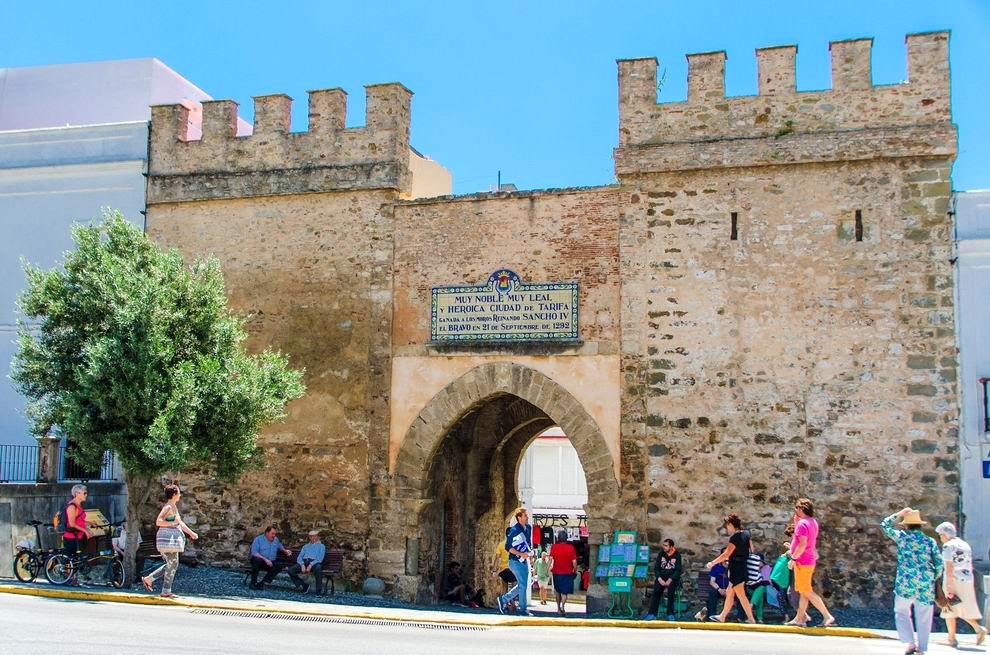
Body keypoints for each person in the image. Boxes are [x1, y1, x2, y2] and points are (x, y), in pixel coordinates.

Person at [881, 507, 942, 655]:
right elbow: (939, 564)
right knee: (924, 616)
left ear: (906, 525)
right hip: (925, 583)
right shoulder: (930, 541)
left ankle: (910, 643)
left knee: (901, 611)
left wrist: (898, 514)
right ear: (920, 525)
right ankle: (921, 648)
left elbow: (884, 525)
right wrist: (932, 577)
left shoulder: (902, 537)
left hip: (905, 581)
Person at [784, 498, 836, 627]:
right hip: (808, 560)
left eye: (796, 508)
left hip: (802, 561)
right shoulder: (812, 522)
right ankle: (799, 618)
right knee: (803, 592)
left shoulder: (802, 524)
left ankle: (827, 616)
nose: (795, 510)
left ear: (801, 509)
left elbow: (802, 544)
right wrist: (796, 523)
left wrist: (793, 559)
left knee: (806, 591)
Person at [934, 522, 985, 647]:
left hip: (954, 580)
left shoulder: (948, 546)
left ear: (945, 535)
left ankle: (957, 636)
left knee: (949, 607)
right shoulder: (965, 544)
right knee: (959, 607)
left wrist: (949, 587)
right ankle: (954, 637)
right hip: (967, 580)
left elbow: (949, 568)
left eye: (941, 535)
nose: (940, 538)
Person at [141, 484, 198, 598]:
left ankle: (152, 581)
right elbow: (158, 521)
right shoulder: (168, 507)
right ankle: (164, 590)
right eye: (178, 493)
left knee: (172, 564)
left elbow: (180, 523)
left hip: (170, 542)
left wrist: (191, 533)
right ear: (174, 494)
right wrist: (172, 523)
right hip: (168, 541)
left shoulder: (173, 507)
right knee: (172, 564)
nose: (180, 495)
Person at [706, 513, 756, 624]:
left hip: (736, 568)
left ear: (730, 524)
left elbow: (726, 554)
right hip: (742, 566)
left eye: (727, 525)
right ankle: (722, 616)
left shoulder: (734, 537)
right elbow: (752, 549)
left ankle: (751, 619)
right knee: (730, 592)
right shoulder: (746, 534)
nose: (726, 528)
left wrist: (713, 563)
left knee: (741, 595)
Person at [497, 507, 533, 616]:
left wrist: (529, 553)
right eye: (525, 515)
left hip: (523, 561)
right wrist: (521, 554)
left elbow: (528, 543)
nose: (527, 517)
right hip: (515, 561)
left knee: (523, 585)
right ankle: (522, 609)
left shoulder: (528, 528)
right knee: (523, 585)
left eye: (527, 515)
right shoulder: (514, 530)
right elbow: (508, 547)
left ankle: (503, 599)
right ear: (519, 518)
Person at [644, 538, 682, 621]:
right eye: (663, 545)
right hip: (661, 577)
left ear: (671, 547)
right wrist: (659, 579)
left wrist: (670, 579)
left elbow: (678, 570)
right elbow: (656, 569)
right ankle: (652, 614)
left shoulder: (677, 555)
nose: (664, 547)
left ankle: (670, 614)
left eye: (666, 545)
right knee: (656, 592)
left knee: (671, 593)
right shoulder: (661, 554)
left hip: (671, 577)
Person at [249, 525, 292, 589]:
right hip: (260, 561)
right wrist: (266, 560)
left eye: (275, 534)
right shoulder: (258, 539)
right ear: (267, 533)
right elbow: (254, 552)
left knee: (279, 566)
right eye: (272, 533)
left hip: (270, 562)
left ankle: (262, 583)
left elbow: (279, 546)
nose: (274, 535)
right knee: (257, 560)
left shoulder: (275, 539)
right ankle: (253, 583)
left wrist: (285, 551)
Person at [549, 530, 578, 616]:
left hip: (556, 572)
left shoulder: (554, 547)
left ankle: (558, 608)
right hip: (568, 573)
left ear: (558, 538)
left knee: (557, 591)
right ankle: (563, 606)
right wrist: (575, 570)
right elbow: (574, 562)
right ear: (566, 538)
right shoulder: (571, 548)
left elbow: (550, 560)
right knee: (565, 592)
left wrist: (547, 569)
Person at [287, 530, 325, 594]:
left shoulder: (321, 546)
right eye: (311, 536)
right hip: (305, 562)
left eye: (315, 536)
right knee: (290, 570)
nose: (313, 538)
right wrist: (302, 565)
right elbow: (299, 557)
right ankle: (304, 585)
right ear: (309, 537)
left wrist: (310, 565)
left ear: (317, 537)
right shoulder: (305, 546)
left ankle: (318, 591)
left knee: (318, 568)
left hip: (315, 563)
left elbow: (320, 558)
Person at [62, 484, 92, 557]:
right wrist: (85, 530)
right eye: (84, 493)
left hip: (79, 537)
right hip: (71, 538)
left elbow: (78, 520)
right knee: (71, 560)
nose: (86, 495)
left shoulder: (78, 505)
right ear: (77, 494)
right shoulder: (72, 506)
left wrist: (88, 523)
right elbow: (72, 524)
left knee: (78, 560)